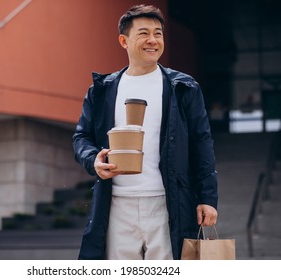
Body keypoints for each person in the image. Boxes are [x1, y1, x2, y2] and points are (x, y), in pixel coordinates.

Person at [73, 4, 218, 260]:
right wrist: (93, 159)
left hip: (166, 202)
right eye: (143, 33)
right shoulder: (102, 90)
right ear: (124, 40)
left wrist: (207, 197)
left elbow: (201, 143)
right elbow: (81, 137)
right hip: (115, 202)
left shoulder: (183, 87)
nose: (153, 40)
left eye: (158, 33)